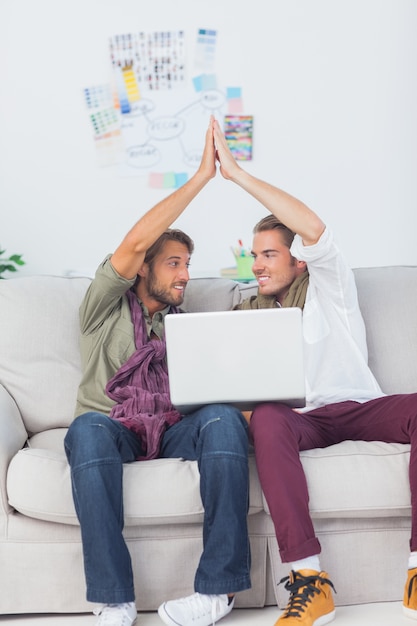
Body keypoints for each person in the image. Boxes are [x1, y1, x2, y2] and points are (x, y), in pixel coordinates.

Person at [212, 117, 417, 625]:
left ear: (298, 260)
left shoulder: (330, 288)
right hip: (301, 420)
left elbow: (315, 228)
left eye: (268, 254)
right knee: (267, 416)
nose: (256, 264)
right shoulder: (245, 316)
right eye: (253, 255)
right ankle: (309, 580)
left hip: (360, 408)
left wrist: (236, 173)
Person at [64, 117, 251, 626]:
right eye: (173, 263)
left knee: (222, 418)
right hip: (112, 425)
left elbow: (218, 389)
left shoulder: (184, 326)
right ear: (144, 267)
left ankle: (217, 591)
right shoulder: (102, 306)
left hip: (170, 428)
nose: (186, 275)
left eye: (188, 264)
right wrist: (200, 178)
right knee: (86, 431)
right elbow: (131, 241)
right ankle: (115, 600)